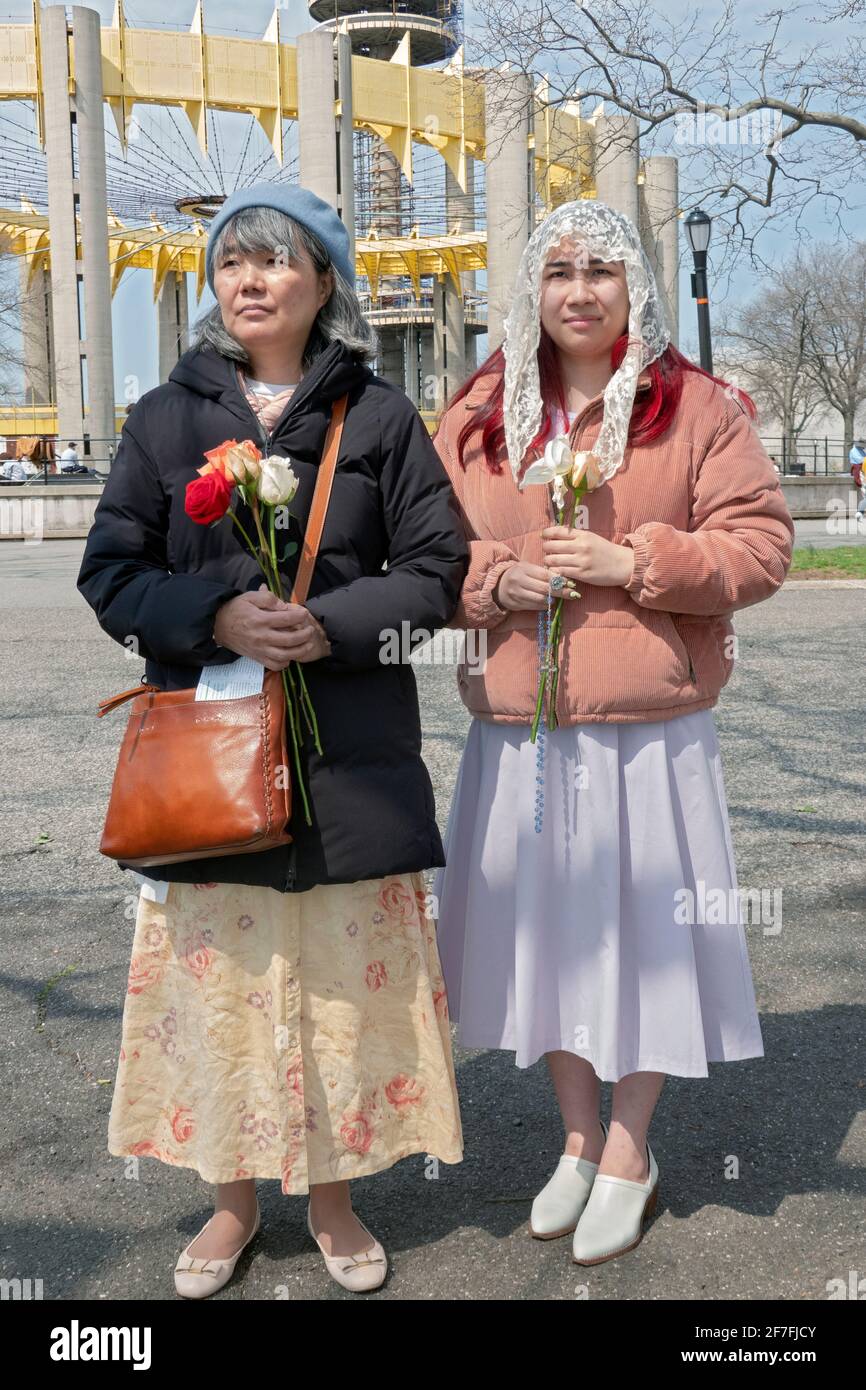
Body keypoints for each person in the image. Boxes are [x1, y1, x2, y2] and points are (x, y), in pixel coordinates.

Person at [77, 182, 469, 1298]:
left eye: (276, 261)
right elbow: (110, 571)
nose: (250, 282)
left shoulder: (381, 418)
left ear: (324, 282)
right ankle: (229, 1203)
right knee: (224, 989)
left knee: (342, 991)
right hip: (205, 760)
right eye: (232, 264)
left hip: (346, 755)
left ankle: (337, 1202)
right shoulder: (165, 417)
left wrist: (329, 627)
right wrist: (211, 617)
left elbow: (437, 574)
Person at [430, 200, 794, 1267]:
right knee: (540, 935)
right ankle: (575, 1138)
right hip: (520, 727)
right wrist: (496, 579)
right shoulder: (478, 412)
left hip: (649, 728)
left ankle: (630, 1149)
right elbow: (421, 553)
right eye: (556, 271)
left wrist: (638, 562)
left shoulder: (698, 409)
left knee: (644, 940)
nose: (577, 290)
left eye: (598, 268)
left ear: (631, 283)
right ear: (530, 289)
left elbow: (760, 544)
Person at [849, 441, 866, 516]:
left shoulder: (861, 450)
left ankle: (860, 512)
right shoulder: (853, 451)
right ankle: (860, 512)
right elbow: (860, 460)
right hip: (859, 469)